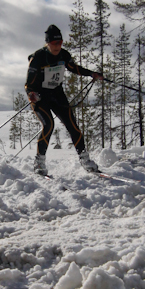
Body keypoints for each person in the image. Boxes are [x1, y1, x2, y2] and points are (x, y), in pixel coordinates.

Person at [25, 24, 103, 176]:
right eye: (54, 43)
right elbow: (28, 84)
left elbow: (74, 68)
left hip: (57, 95)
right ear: (48, 43)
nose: (58, 46)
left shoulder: (63, 55)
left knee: (72, 125)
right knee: (48, 125)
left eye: (60, 43)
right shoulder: (38, 57)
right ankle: (39, 162)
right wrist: (31, 94)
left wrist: (91, 74)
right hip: (40, 98)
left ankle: (85, 160)